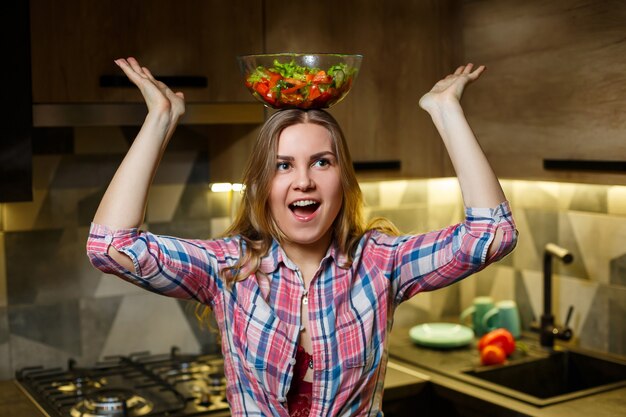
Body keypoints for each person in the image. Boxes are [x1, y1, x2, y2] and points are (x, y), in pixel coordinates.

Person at [87, 57, 517, 417]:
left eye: (322, 162)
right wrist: (160, 120)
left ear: (343, 180)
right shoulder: (230, 268)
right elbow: (111, 248)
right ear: (259, 185)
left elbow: (492, 234)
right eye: (283, 165)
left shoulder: (380, 262)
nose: (304, 181)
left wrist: (446, 110)